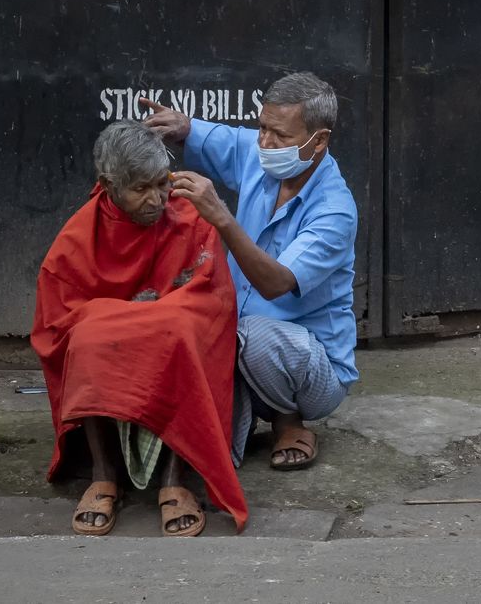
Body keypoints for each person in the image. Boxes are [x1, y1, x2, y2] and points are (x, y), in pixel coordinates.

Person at [31, 120, 248, 537]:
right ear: (109, 185)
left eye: (162, 184)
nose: (156, 199)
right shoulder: (81, 233)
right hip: (116, 337)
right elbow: (58, 318)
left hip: (172, 329)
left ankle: (174, 478)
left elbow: (213, 300)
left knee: (180, 331)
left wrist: (141, 316)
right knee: (87, 338)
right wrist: (129, 317)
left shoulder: (191, 217)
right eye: (140, 189)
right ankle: (104, 474)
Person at [142, 71, 359, 471]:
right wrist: (182, 126)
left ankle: (288, 420)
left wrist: (222, 218)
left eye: (280, 135)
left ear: (319, 141)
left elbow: (276, 283)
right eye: (262, 128)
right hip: (244, 345)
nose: (265, 142)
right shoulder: (263, 155)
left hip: (315, 371)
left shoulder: (335, 211)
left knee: (250, 335)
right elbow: (220, 138)